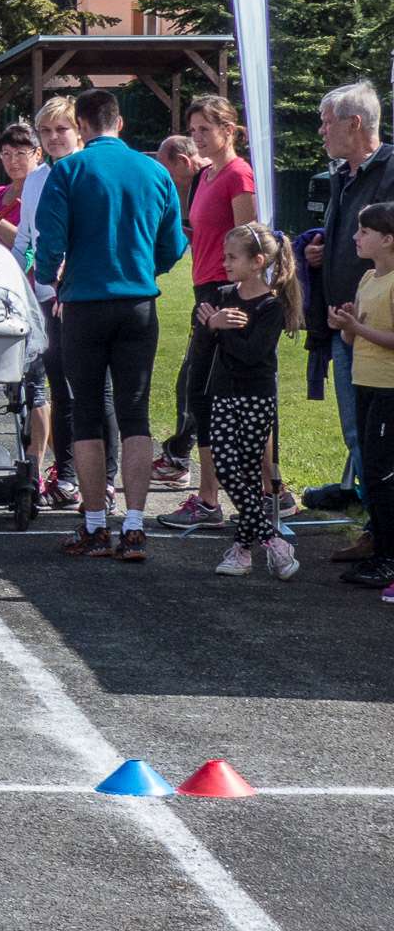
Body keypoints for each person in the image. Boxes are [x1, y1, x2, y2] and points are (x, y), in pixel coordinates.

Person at [33, 88, 185, 562]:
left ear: (80, 126)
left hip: (84, 302)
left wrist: (50, 280)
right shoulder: (155, 171)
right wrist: (144, 271)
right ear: (119, 123)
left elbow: (48, 242)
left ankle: (95, 523)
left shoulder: (69, 170)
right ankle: (135, 525)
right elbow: (173, 244)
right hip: (138, 303)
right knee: (135, 411)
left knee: (87, 411)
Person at [12, 97, 120, 509]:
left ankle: (107, 479)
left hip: (86, 296)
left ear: (80, 131)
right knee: (61, 388)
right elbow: (27, 238)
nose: (55, 138)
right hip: (46, 299)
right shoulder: (37, 180)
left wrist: (66, 277)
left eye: (62, 129)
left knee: (98, 390)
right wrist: (23, 275)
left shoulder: (92, 172)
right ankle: (68, 474)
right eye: (47, 132)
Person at [304, 81, 394, 560]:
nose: (321, 131)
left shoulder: (391, 170)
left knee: (382, 440)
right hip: (345, 325)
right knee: (357, 433)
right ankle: (376, 529)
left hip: (380, 330)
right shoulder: (343, 174)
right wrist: (320, 253)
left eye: (326, 121)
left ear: (354, 123)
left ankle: (384, 538)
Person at [158, 96, 258, 524]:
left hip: (225, 291)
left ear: (228, 130)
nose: (197, 137)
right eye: (193, 129)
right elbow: (202, 231)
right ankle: (220, 494)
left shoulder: (238, 174)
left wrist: (234, 298)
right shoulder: (207, 175)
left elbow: (250, 241)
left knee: (215, 392)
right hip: (205, 288)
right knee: (206, 393)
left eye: (205, 129)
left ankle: (214, 498)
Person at [199, 223, 301, 580]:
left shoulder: (271, 306)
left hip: (256, 395)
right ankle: (272, 541)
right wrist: (212, 326)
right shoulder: (225, 295)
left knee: (244, 469)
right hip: (224, 393)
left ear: (257, 262)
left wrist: (220, 328)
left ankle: (242, 549)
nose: (224, 263)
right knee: (226, 467)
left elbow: (252, 355)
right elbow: (203, 348)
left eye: (232, 257)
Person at [328, 201, 394, 597]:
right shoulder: (369, 278)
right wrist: (346, 327)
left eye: (364, 232)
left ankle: (387, 555)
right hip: (365, 385)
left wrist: (358, 329)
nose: (356, 237)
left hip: (389, 390)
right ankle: (379, 549)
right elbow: (352, 339)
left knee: (383, 475)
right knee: (371, 470)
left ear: (388, 239)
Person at [0, 123, 51, 490]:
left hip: (32, 297)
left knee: (35, 386)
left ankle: (36, 468)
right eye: (6, 154)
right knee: (15, 389)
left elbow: (26, 246)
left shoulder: (41, 193)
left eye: (21, 154)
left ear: (37, 155)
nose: (13, 161)